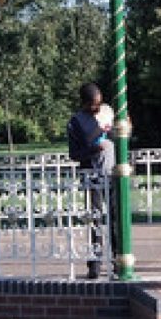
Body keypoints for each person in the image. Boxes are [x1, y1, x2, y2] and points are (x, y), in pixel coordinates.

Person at [66, 82, 115, 279]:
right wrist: (94, 149)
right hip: (92, 174)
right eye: (94, 104)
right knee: (95, 220)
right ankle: (94, 265)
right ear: (85, 103)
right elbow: (74, 153)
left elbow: (116, 136)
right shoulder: (76, 122)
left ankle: (119, 261)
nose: (97, 107)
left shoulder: (107, 113)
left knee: (115, 217)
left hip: (112, 173)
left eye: (99, 103)